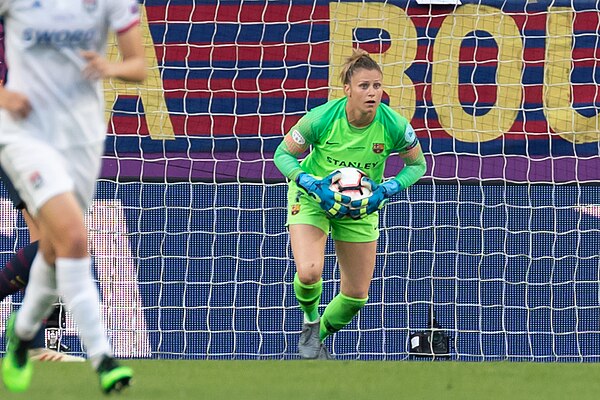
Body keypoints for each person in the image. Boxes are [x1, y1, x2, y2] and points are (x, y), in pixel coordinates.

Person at [0, 0, 146, 393]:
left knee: (52, 247)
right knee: (75, 239)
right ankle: (102, 357)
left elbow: (139, 67)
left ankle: (23, 332)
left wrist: (109, 67)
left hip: (81, 138)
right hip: (23, 134)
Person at [274, 48, 427, 359]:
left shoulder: (394, 125)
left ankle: (316, 338)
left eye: (377, 86)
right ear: (347, 89)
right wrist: (310, 182)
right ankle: (309, 319)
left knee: (356, 296)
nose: (372, 93)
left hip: (361, 207)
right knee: (309, 272)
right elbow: (283, 155)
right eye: (364, 86)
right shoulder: (322, 118)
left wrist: (387, 189)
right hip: (314, 198)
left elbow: (417, 165)